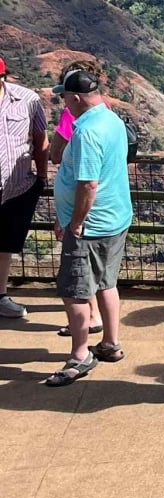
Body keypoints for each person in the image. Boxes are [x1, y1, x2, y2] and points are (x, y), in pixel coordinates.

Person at [45, 66, 131, 387]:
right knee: (107, 283)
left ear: (77, 98)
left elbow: (87, 184)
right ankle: (110, 343)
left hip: (90, 226)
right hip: (115, 219)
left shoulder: (84, 131)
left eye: (65, 96)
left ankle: (80, 355)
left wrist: (75, 222)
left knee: (75, 292)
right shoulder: (112, 120)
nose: (63, 102)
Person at [47, 58, 102, 339]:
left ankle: (86, 321)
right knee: (97, 270)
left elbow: (55, 153)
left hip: (80, 206)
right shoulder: (105, 112)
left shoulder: (75, 118)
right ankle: (99, 322)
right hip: (107, 206)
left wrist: (71, 218)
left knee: (78, 272)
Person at [0, 57, 48, 320]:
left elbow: (40, 137)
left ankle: (0, 296)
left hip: (18, 187)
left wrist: (40, 177)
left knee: (5, 245)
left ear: (4, 77)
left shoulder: (27, 100)